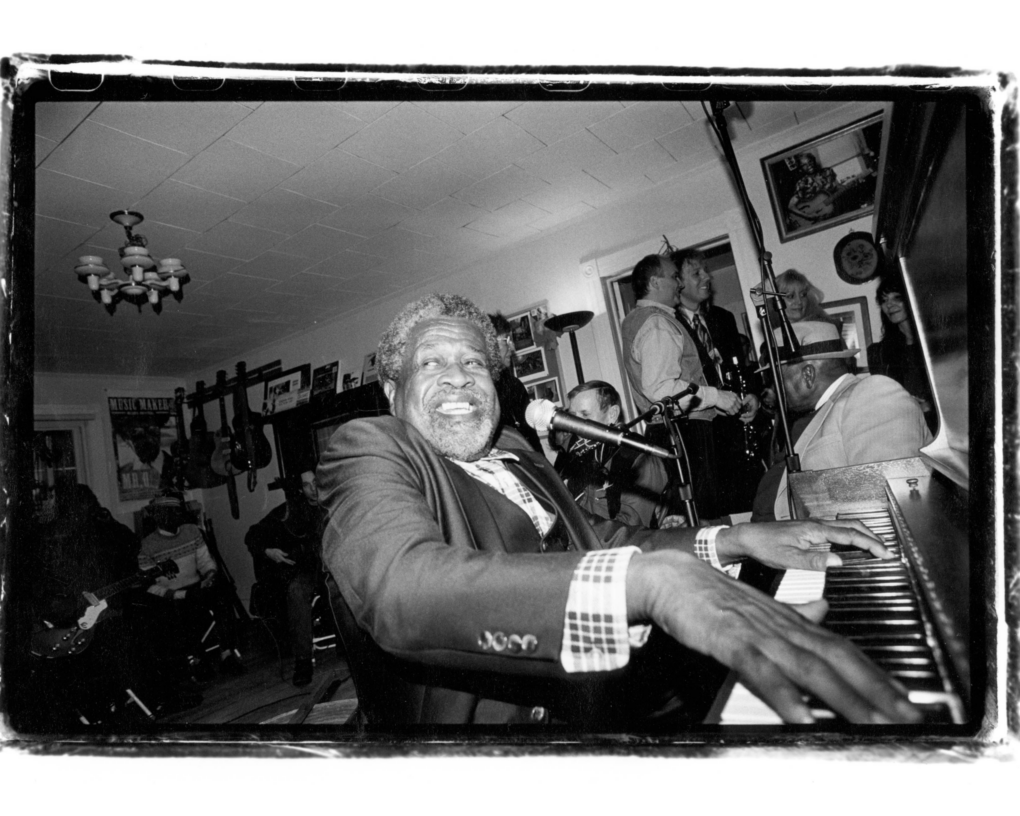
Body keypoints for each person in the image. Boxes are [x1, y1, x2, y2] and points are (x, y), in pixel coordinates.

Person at [316, 292, 921, 729]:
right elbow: (401, 588)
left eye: (474, 363)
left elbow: (599, 538)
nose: (458, 378)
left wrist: (730, 540)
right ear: (393, 391)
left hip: (604, 693)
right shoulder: (370, 447)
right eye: (431, 363)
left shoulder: (517, 451)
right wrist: (644, 582)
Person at [25, 484, 197, 727]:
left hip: (99, 612)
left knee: (152, 618)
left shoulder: (97, 532)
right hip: (72, 624)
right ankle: (148, 696)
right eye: (85, 505)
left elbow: (129, 549)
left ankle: (163, 693)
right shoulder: (49, 540)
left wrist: (110, 522)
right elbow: (40, 590)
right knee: (133, 635)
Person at [751, 320, 934, 522]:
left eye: (778, 378)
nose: (775, 388)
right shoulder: (823, 410)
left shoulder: (873, 392)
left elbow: (888, 495)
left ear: (808, 375)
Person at [620, 253, 750, 519]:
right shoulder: (658, 323)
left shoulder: (638, 319)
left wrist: (713, 405)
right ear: (655, 282)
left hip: (670, 431)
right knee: (701, 516)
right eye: (674, 277)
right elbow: (661, 389)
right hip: (685, 433)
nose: (679, 284)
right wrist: (715, 397)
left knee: (687, 516)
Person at [670, 247, 763, 514]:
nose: (706, 277)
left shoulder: (723, 318)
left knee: (748, 502)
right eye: (696, 273)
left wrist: (753, 396)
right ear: (678, 282)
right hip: (699, 435)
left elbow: (741, 367)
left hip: (735, 430)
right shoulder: (669, 325)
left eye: (706, 271)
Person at [137, 493, 245, 681]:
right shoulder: (147, 546)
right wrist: (179, 595)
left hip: (197, 586)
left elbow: (205, 561)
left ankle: (227, 654)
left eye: (175, 512)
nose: (172, 516)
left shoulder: (192, 531)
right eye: (166, 512)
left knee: (222, 594)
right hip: (171, 596)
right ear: (157, 516)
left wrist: (210, 576)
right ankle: (198, 659)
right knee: (180, 613)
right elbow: (149, 587)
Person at [245, 470, 326, 687]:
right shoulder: (290, 511)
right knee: (296, 591)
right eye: (307, 485)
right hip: (309, 572)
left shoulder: (333, 502)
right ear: (300, 489)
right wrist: (267, 551)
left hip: (336, 567)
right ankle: (303, 662)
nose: (313, 489)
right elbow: (253, 534)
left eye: (315, 482)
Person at [554, 380, 669, 528]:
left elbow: (629, 529)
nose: (575, 426)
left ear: (612, 414)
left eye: (585, 414)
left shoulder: (639, 456)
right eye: (573, 416)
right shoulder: (573, 455)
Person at [866, 274, 937, 433]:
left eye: (897, 298)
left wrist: (930, 406)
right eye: (884, 300)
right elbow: (882, 400)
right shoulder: (879, 353)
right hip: (904, 429)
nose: (889, 305)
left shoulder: (939, 344)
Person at [487, 311, 544, 452]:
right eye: (506, 340)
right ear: (489, 343)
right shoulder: (472, 385)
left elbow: (532, 439)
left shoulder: (514, 386)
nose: (512, 348)